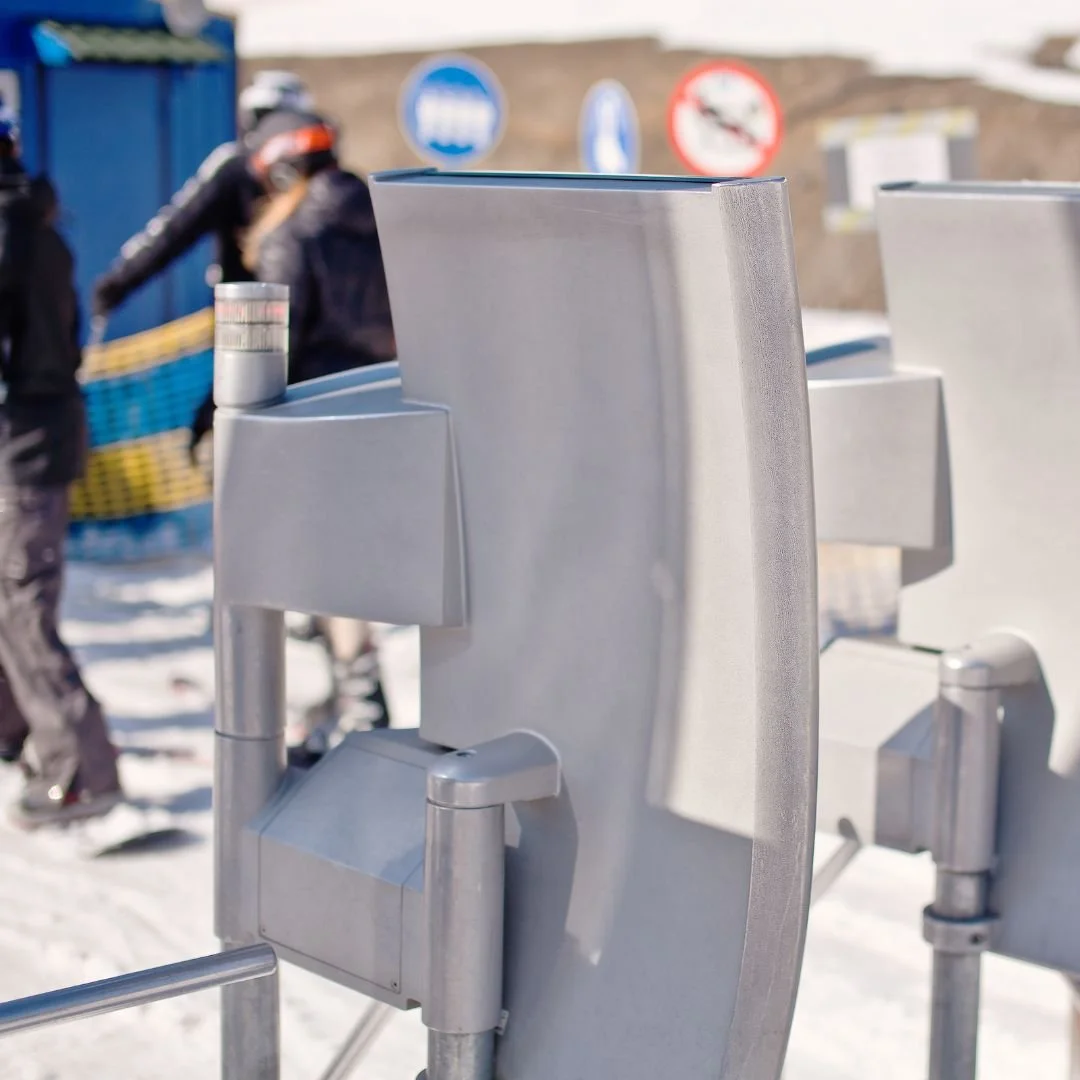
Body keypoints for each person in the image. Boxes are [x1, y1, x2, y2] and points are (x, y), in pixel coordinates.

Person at [244, 108, 397, 760]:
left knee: (323, 576)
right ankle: (354, 701)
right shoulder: (390, 221)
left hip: (314, 425)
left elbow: (267, 347)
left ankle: (358, 708)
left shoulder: (293, 237)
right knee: (353, 569)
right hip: (390, 412)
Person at [0, 109, 122, 827]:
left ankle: (82, 772)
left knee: (23, 609)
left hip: (23, 443)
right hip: (33, 434)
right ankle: (23, 738)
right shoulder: (33, 225)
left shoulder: (12, 232)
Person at [91, 71, 315, 456]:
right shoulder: (241, 171)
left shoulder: (313, 176)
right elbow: (176, 229)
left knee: (254, 428)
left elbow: (174, 231)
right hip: (266, 327)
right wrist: (117, 285)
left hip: (286, 331)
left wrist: (116, 286)